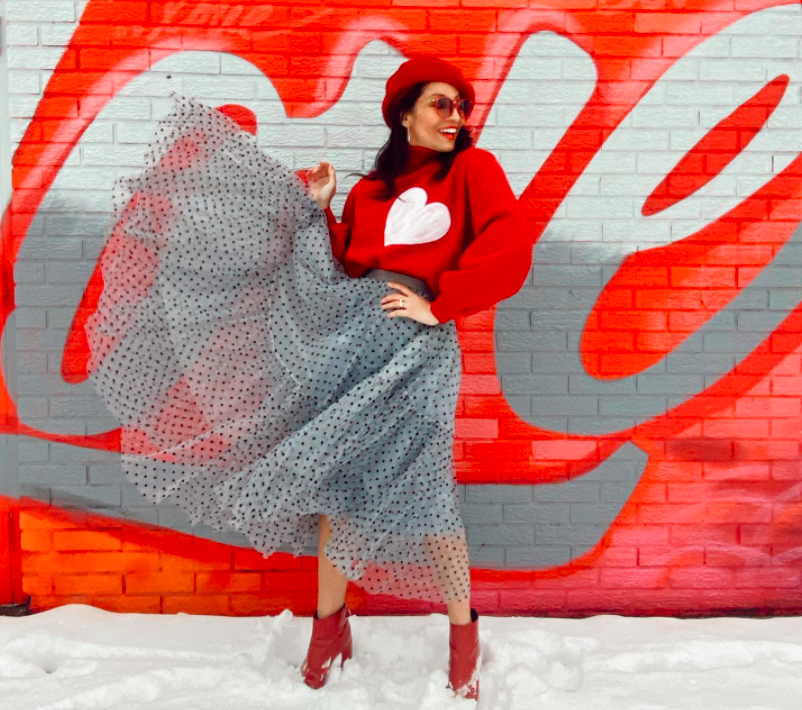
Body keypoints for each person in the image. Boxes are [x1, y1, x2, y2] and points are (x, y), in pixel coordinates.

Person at [84, 55, 531, 702]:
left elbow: (509, 243)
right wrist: (321, 211)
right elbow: (346, 267)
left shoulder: (474, 170)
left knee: (430, 490)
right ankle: (330, 631)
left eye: (461, 107)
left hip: (424, 351)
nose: (454, 118)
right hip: (354, 341)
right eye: (440, 104)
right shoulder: (368, 193)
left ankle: (465, 636)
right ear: (405, 112)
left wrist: (441, 303)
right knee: (339, 486)